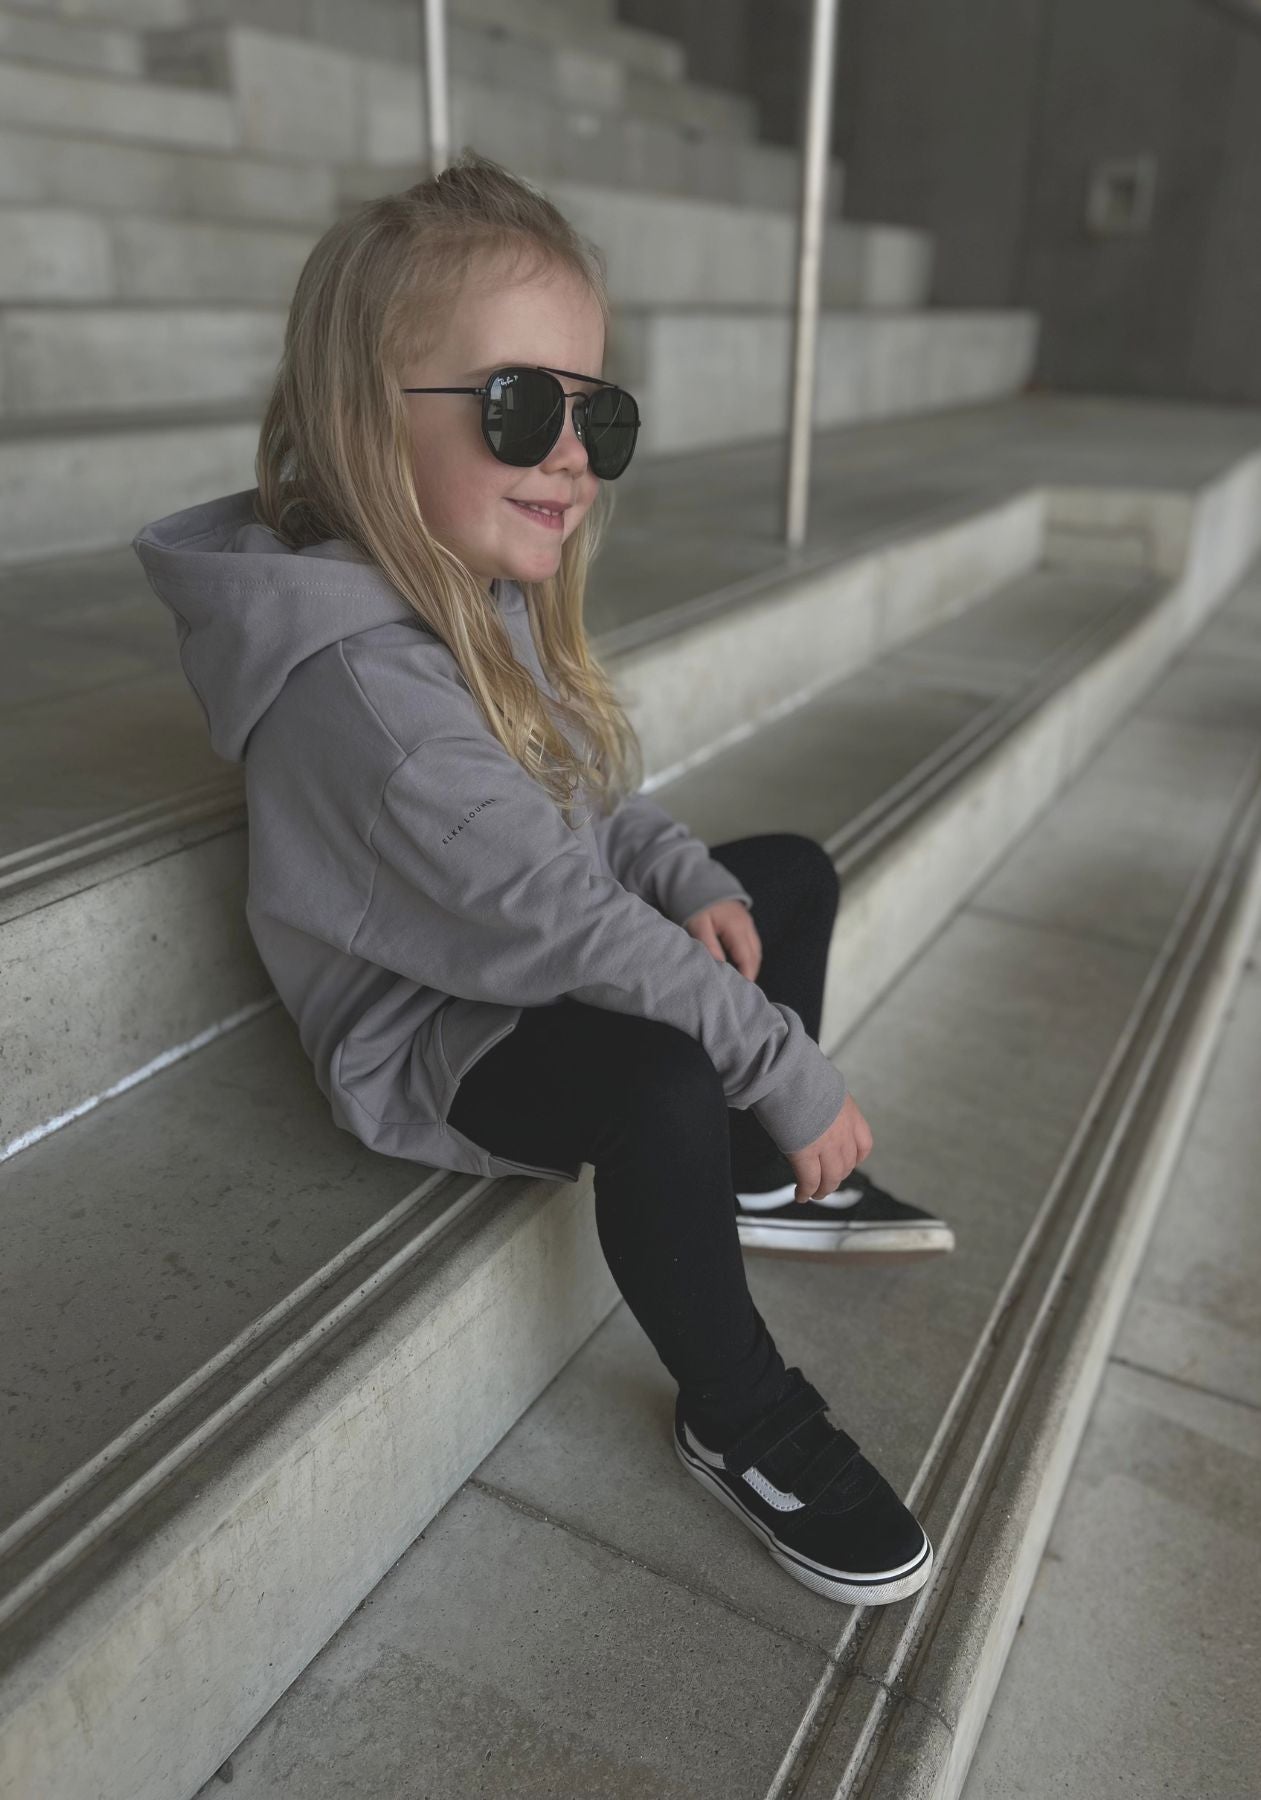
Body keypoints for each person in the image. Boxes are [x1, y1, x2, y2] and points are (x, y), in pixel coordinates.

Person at [132, 150, 942, 1607]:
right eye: (520, 407)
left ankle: (754, 1182)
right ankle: (741, 1416)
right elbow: (566, 927)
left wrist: (685, 877)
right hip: (434, 1029)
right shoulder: (366, 706)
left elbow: (588, 806)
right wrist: (778, 1064)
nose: (570, 455)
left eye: (595, 413)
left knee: (780, 880)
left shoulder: (477, 587)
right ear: (367, 418)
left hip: (526, 946)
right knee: (664, 1081)